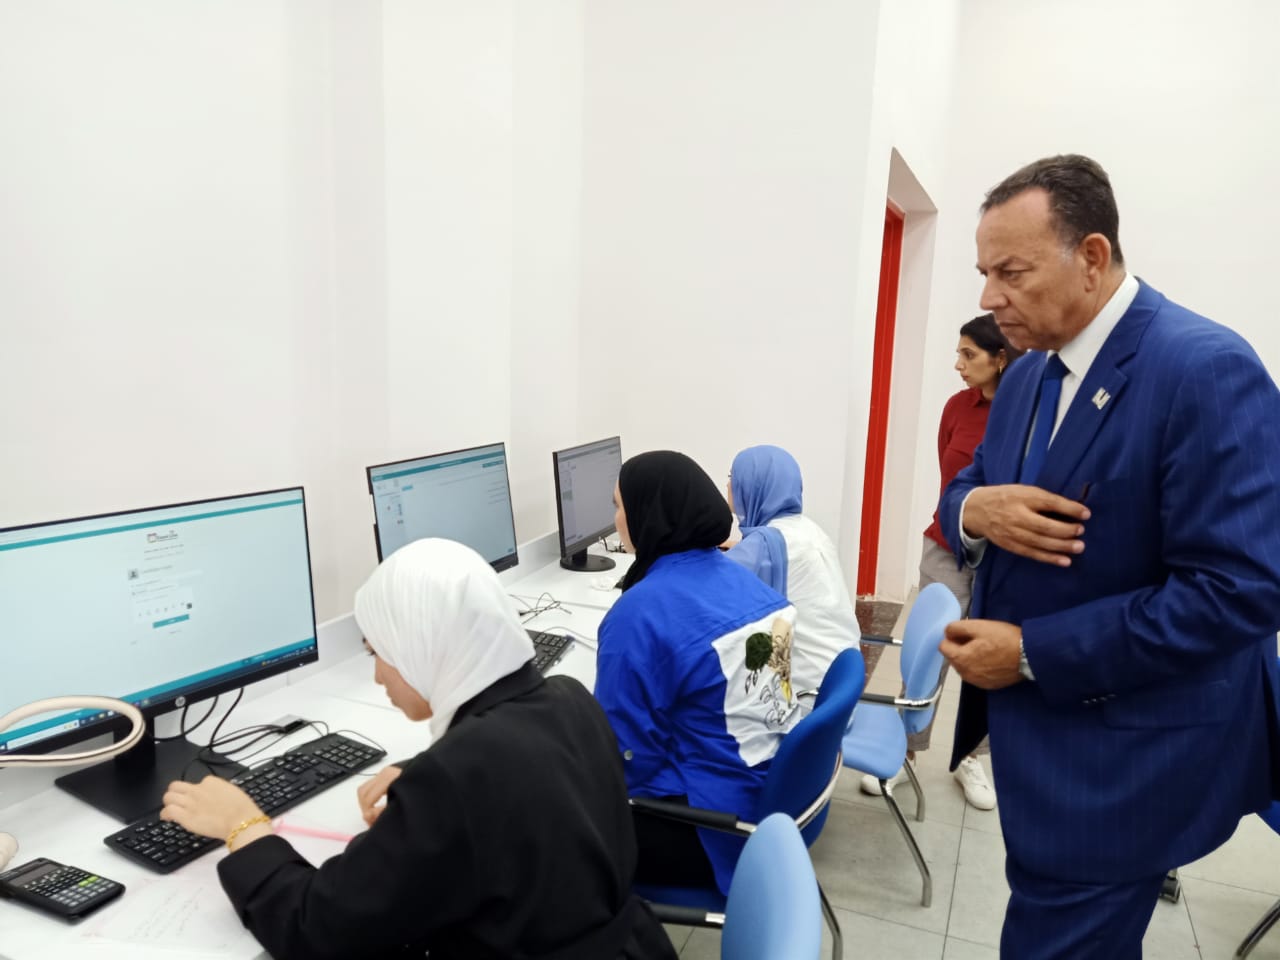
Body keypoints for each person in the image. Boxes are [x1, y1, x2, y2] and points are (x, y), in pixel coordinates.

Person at [938, 154, 1280, 958]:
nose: (988, 299)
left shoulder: (1203, 369)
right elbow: (970, 488)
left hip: (1121, 763)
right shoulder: (1027, 375)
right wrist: (975, 512)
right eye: (984, 274)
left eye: (1011, 272)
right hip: (1039, 747)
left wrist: (1031, 652)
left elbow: (1239, 591)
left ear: (1091, 257)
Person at [159, 538, 677, 960]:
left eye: (378, 651)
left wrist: (244, 827)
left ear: (422, 643)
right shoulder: (567, 697)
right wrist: (424, 772)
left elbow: (315, 928)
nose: (378, 675)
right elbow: (517, 773)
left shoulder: (459, 776)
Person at [595, 450, 801, 896]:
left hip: (715, 830)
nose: (615, 520)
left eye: (618, 506)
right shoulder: (750, 582)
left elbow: (624, 759)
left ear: (648, 515)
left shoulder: (638, 615)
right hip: (773, 802)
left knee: (547, 806)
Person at [860, 315, 1023, 811]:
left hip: (1004, 560)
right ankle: (905, 750)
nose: (958, 364)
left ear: (1001, 358)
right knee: (930, 649)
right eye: (957, 353)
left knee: (986, 657)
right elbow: (950, 480)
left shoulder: (1026, 411)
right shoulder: (956, 407)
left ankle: (971, 756)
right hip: (946, 546)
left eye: (968, 355)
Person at [724, 443, 862, 697]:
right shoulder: (805, 528)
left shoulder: (765, 545)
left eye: (733, 476)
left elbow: (714, 582)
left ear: (753, 485)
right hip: (840, 683)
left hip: (805, 696)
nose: (729, 485)